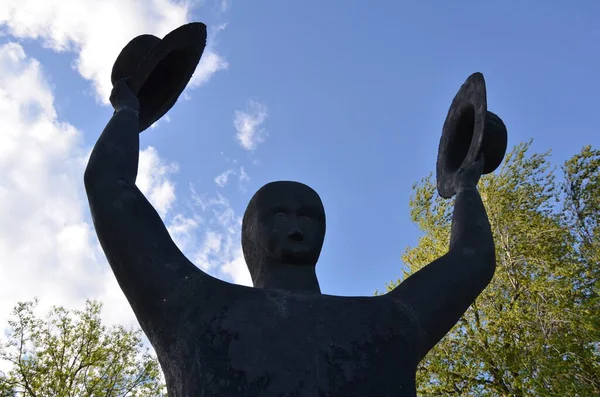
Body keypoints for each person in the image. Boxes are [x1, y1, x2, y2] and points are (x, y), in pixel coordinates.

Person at [84, 79, 496, 397]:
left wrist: (465, 187)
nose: (297, 226)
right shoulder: (198, 307)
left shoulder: (388, 321)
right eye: (278, 214)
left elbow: (471, 260)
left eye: (309, 216)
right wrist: (126, 111)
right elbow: (108, 187)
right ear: (249, 234)